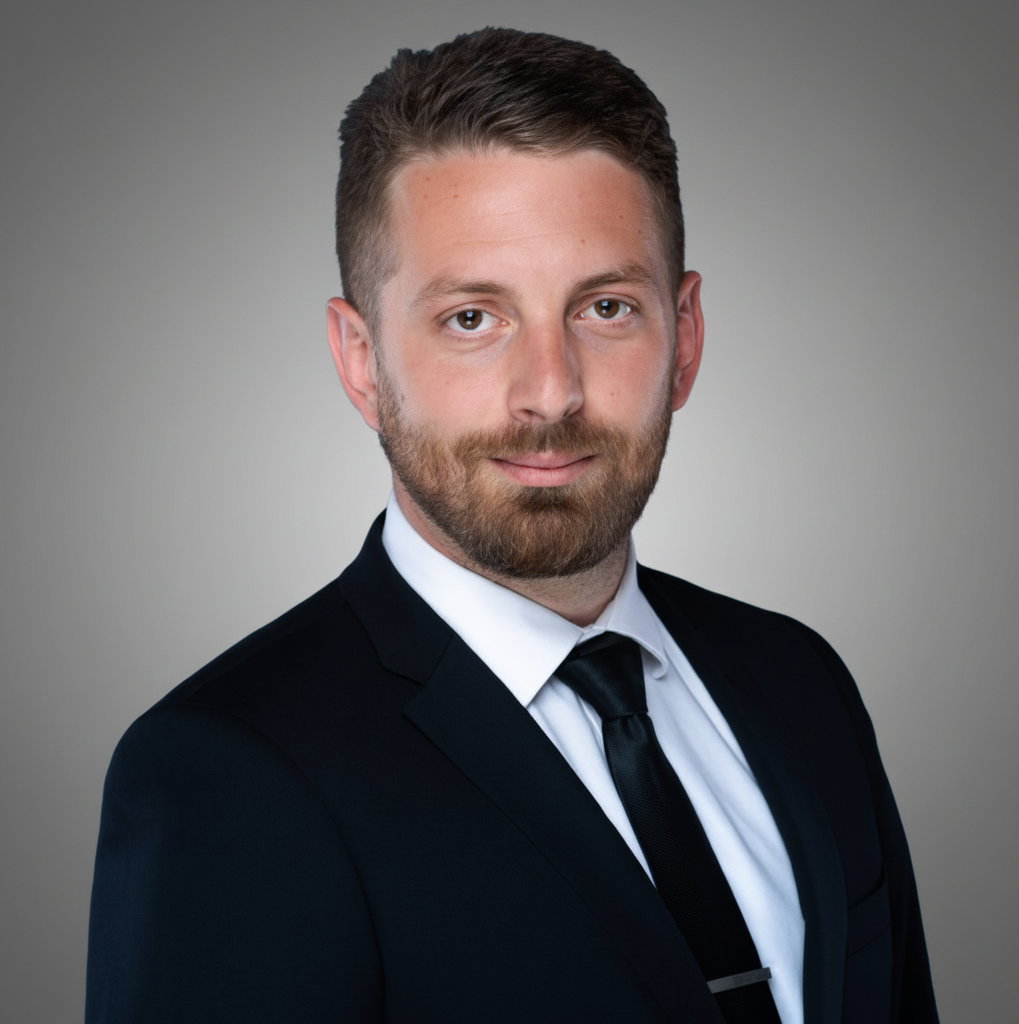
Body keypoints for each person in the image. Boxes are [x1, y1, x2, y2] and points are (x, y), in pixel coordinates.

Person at [85, 27, 938, 1024]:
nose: (550, 391)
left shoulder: (800, 681)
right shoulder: (228, 772)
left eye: (605, 307)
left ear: (685, 337)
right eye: (472, 318)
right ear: (361, 361)